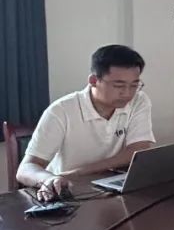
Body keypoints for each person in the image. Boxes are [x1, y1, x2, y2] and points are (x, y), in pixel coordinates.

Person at [17, 45, 155, 202]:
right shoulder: (61, 111)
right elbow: (25, 169)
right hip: (66, 191)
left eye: (134, 85)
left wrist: (80, 172)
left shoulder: (139, 100)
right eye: (119, 85)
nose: (128, 93)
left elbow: (138, 150)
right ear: (94, 81)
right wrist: (49, 179)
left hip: (108, 187)